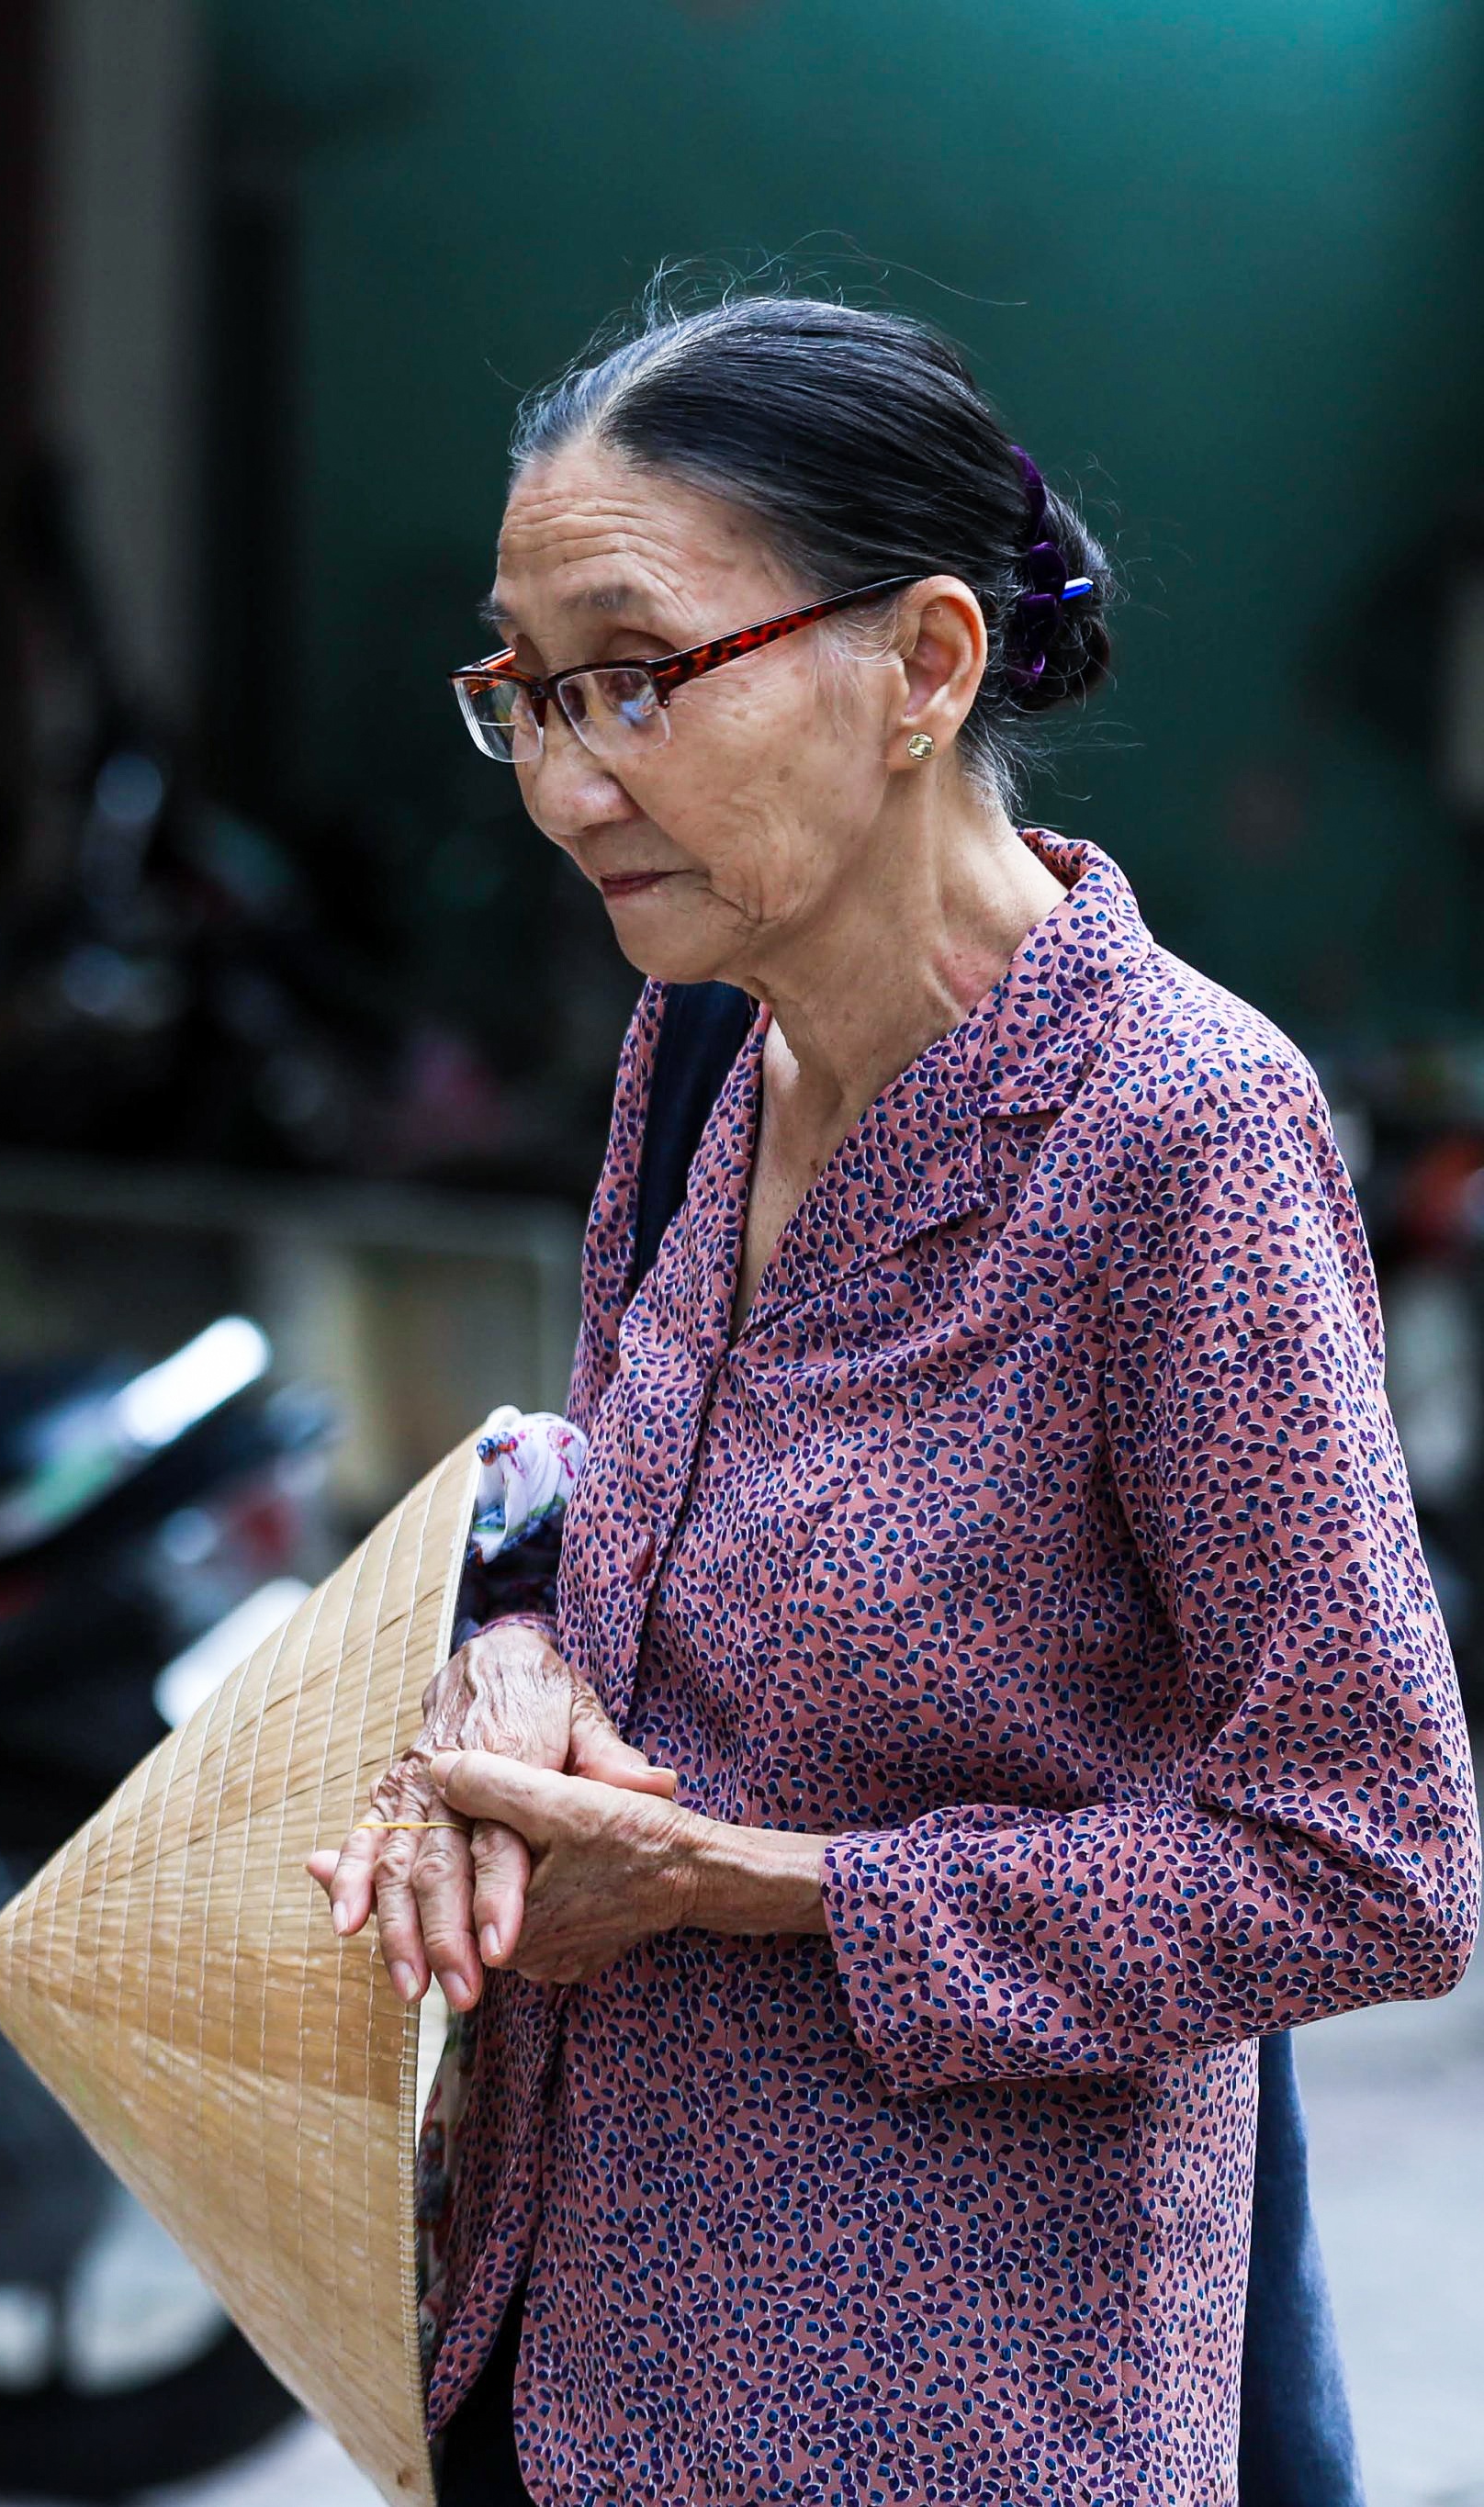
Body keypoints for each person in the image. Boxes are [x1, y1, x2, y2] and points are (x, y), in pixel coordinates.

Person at [309, 294, 1479, 2505]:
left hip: (952, 2414)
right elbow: (619, 1512)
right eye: (525, 696)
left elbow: (1376, 1864)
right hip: (569, 2354)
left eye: (635, 678)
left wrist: (736, 1885)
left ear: (925, 666)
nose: (568, 786)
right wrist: (513, 1674)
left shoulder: (1173, 1138)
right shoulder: (693, 1055)